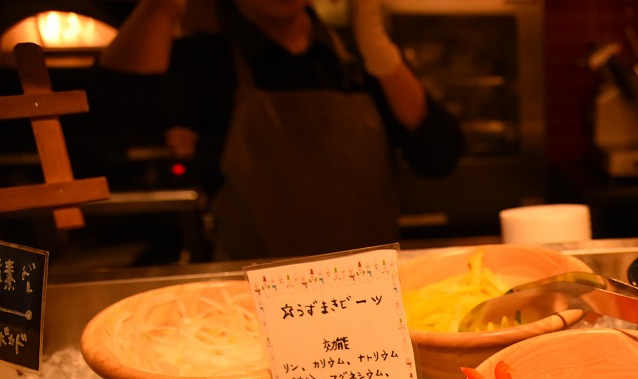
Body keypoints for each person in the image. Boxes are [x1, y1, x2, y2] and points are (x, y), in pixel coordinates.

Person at [90, 0, 465, 261]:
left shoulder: (355, 56)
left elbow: (439, 155)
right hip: (248, 298)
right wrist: (162, 5)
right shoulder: (206, 59)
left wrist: (379, 51)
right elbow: (115, 114)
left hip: (369, 295)